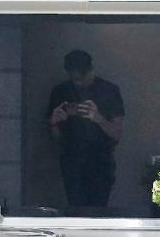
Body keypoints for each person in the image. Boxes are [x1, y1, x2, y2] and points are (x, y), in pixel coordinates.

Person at [46, 49, 125, 209]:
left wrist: (98, 118)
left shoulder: (108, 91)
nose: (78, 83)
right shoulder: (61, 91)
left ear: (91, 71)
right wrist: (54, 122)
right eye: (74, 79)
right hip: (72, 160)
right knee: (75, 209)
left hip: (101, 161)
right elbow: (54, 138)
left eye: (82, 78)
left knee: (98, 210)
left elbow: (117, 134)